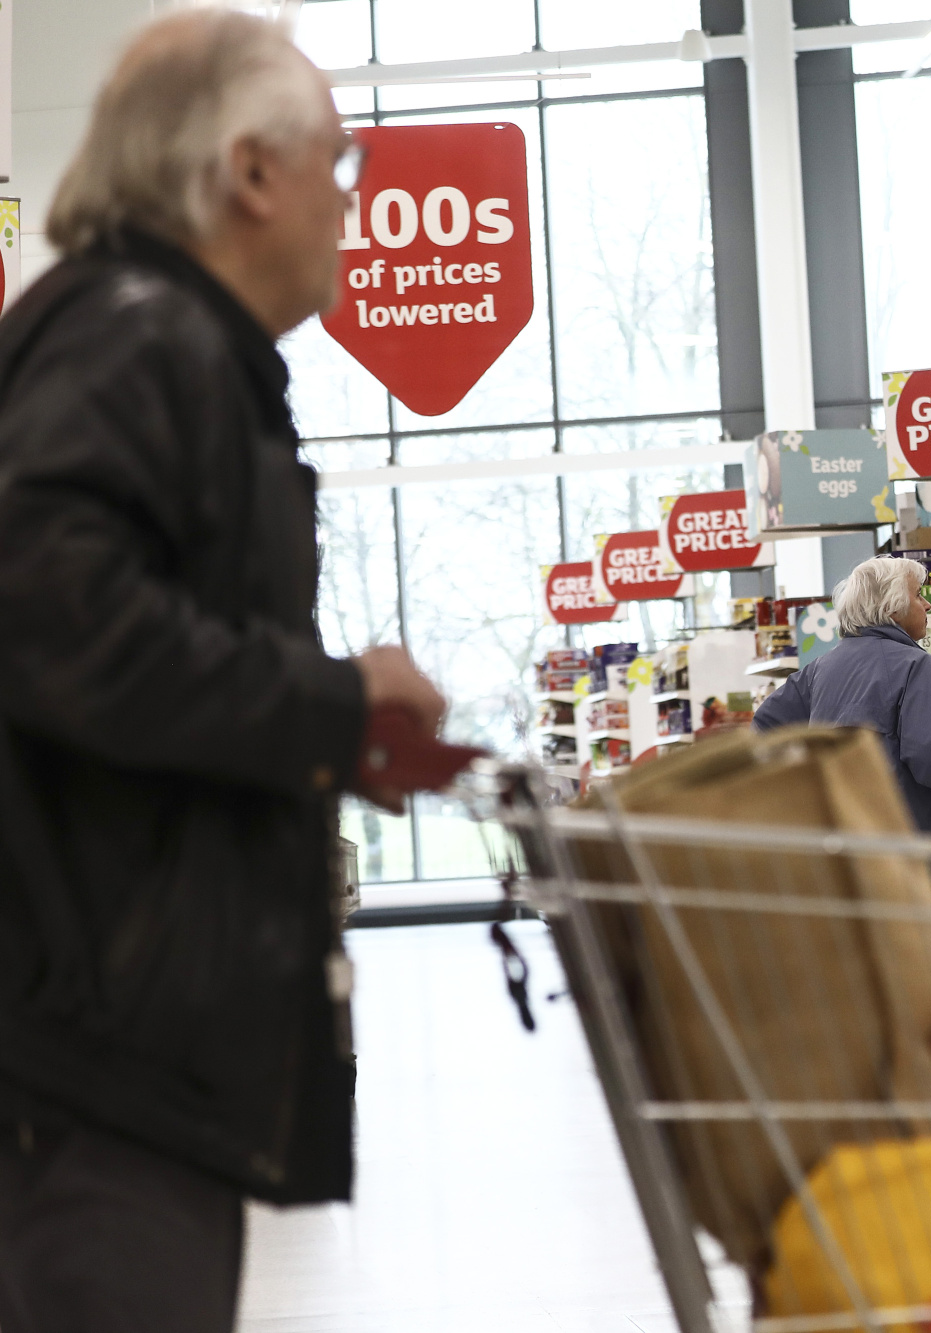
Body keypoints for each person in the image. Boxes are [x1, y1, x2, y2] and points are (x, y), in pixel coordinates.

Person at [0, 12, 448, 1332]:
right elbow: (46, 614)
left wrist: (322, 728)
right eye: (340, 161)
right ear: (250, 171)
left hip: (106, 1041)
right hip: (92, 1060)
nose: (351, 204)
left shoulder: (139, 337)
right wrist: (326, 702)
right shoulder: (141, 337)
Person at [755, 557, 931, 830]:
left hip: (841, 838)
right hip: (902, 841)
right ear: (892, 608)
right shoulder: (915, 665)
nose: (927, 604)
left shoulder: (820, 668)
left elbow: (764, 727)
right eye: (918, 595)